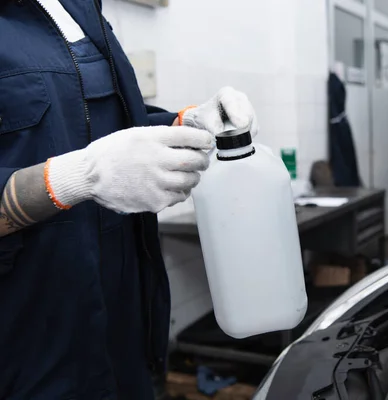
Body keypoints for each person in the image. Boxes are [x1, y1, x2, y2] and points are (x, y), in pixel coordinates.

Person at [0, 0, 258, 398]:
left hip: (125, 335)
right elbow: (85, 160)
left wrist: (184, 121)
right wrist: (76, 177)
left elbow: (92, 125)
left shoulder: (81, 12)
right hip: (31, 345)